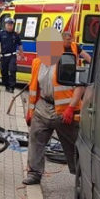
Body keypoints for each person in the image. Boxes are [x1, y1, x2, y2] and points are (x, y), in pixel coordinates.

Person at [23, 28, 80, 185]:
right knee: (35, 139)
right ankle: (34, 173)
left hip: (63, 112)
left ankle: (83, 174)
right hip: (43, 108)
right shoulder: (37, 63)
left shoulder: (67, 61)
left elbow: (81, 86)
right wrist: (31, 112)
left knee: (76, 145)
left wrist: (71, 108)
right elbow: (34, 89)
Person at [0, 17, 23, 93]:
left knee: (12, 70)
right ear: (6, 25)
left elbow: (20, 45)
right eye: (8, 24)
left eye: (11, 25)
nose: (10, 26)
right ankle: (6, 85)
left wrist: (21, 54)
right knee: (4, 72)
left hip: (12, 55)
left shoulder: (15, 35)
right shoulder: (2, 33)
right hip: (3, 56)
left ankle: (12, 87)